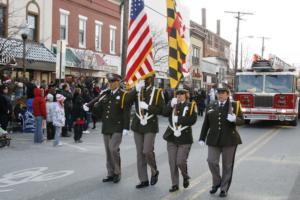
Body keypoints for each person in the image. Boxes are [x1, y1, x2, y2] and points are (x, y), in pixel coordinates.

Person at [198, 83, 243, 197]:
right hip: (214, 139)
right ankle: (217, 182)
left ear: (228, 94)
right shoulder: (211, 105)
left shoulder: (234, 105)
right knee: (211, 161)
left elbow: (242, 121)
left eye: (223, 93)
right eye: (219, 93)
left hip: (229, 140)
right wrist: (202, 137)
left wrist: (235, 119)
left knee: (227, 165)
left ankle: (224, 188)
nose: (221, 95)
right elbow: (206, 123)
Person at [86, 73, 130, 183]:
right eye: (109, 82)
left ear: (118, 82)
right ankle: (110, 173)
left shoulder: (123, 95)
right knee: (108, 151)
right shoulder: (105, 94)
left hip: (117, 126)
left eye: (112, 82)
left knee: (113, 148)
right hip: (106, 126)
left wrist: (126, 127)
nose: (110, 84)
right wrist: (91, 108)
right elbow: (100, 110)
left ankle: (117, 172)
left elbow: (126, 112)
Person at [126, 74, 164, 189]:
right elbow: (126, 101)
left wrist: (148, 107)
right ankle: (143, 179)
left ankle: (154, 170)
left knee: (147, 150)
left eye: (146, 78)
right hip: (138, 125)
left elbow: (161, 110)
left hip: (150, 125)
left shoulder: (157, 92)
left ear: (151, 79)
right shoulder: (137, 90)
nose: (143, 80)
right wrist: (135, 90)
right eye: (142, 78)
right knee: (140, 154)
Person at [162, 83, 197, 192]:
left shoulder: (191, 105)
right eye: (178, 94)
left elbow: (193, 120)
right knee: (172, 162)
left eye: (182, 93)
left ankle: (185, 176)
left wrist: (180, 120)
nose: (179, 95)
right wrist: (169, 105)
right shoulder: (172, 103)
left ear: (186, 95)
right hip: (171, 136)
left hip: (184, 137)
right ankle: (175, 184)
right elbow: (164, 113)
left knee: (180, 161)